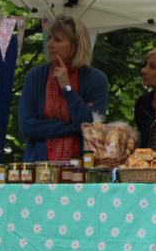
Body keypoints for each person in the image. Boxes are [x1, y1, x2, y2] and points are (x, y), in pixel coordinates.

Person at [19, 15, 108, 162]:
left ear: (76, 45)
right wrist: (74, 127)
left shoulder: (96, 79)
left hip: (81, 168)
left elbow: (93, 129)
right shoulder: (36, 76)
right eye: (50, 38)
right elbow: (27, 126)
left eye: (57, 40)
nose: (49, 45)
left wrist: (68, 89)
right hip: (39, 166)